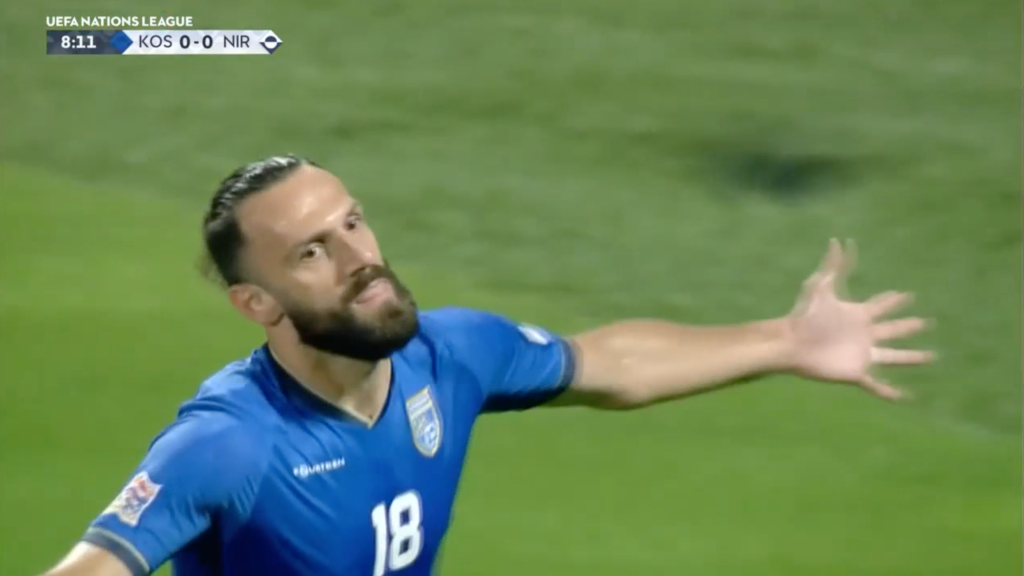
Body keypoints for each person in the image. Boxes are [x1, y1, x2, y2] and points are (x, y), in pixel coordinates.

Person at [42, 155, 934, 576]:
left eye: (353, 222)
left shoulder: (451, 354)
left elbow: (609, 362)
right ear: (257, 304)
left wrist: (784, 341)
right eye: (312, 252)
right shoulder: (231, 442)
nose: (360, 259)